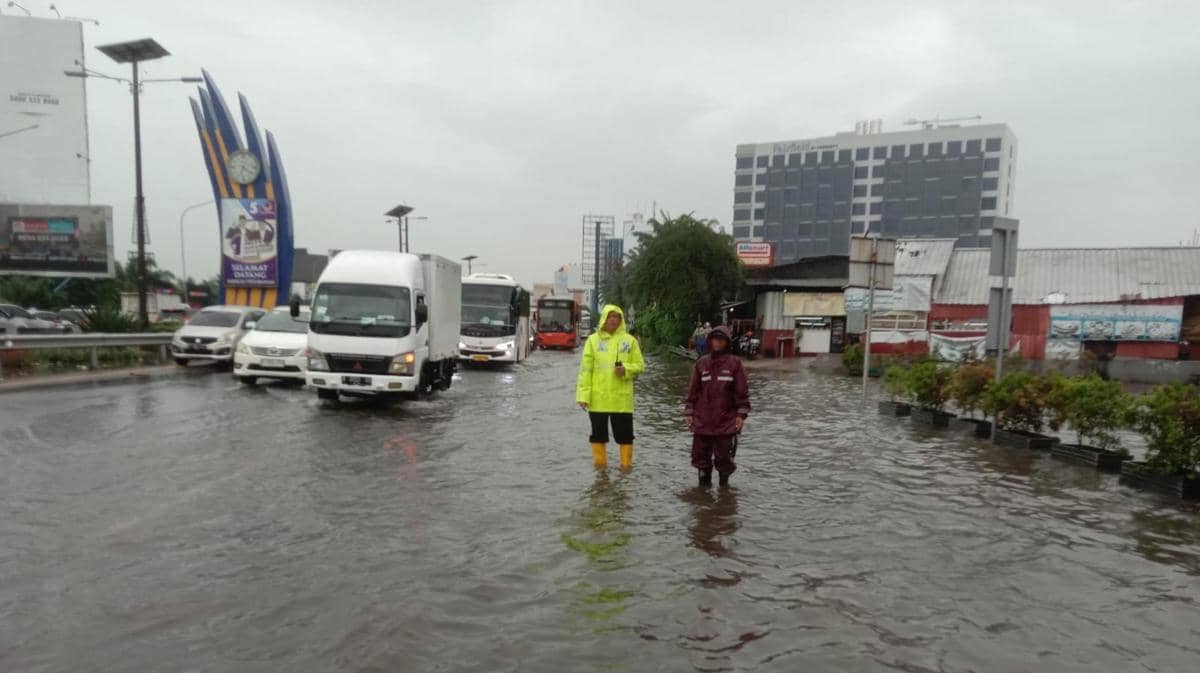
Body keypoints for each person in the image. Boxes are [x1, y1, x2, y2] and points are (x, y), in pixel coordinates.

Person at [577, 305, 645, 470]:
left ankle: (625, 470)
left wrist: (626, 370)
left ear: (621, 320)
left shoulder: (630, 341)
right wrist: (583, 395)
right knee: (598, 436)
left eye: (617, 317)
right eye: (610, 316)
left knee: (626, 437)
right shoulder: (593, 341)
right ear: (604, 319)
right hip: (598, 399)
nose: (613, 320)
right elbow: (585, 370)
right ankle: (601, 472)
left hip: (621, 400)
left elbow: (640, 365)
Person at [685, 326, 750, 487]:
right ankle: (703, 498)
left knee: (724, 460)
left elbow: (742, 393)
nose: (717, 342)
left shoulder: (735, 364)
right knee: (701, 459)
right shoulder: (701, 363)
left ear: (727, 342)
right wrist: (689, 412)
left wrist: (741, 415)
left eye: (721, 339)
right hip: (702, 422)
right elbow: (693, 392)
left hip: (726, 423)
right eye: (715, 339)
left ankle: (724, 492)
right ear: (710, 341)